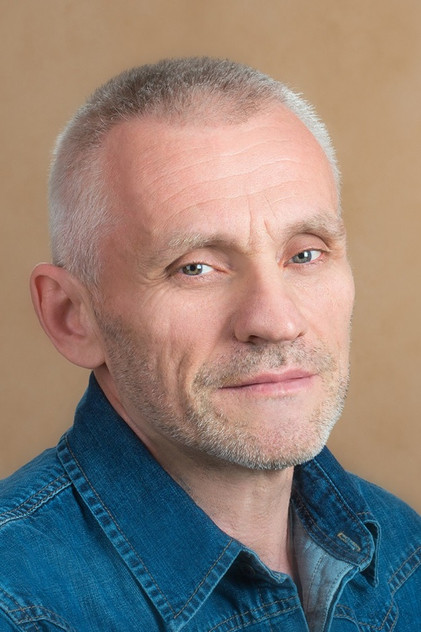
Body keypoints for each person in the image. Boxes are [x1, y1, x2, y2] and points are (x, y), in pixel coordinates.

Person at [0, 57, 419, 631]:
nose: (276, 321)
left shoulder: (405, 552)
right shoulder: (17, 605)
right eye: (195, 267)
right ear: (72, 317)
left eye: (305, 253)